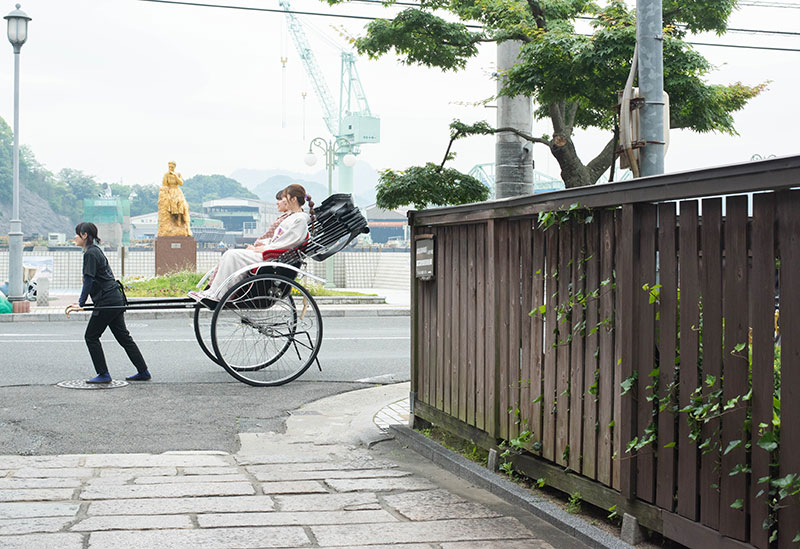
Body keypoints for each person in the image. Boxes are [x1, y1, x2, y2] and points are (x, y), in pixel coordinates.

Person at [189, 184, 314, 303]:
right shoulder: (292, 217)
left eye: (285, 198)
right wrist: (263, 245)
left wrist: (266, 249)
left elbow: (286, 243)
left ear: (293, 199)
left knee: (232, 255)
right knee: (230, 255)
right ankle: (213, 292)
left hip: (273, 257)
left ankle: (218, 295)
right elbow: (279, 240)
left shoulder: (299, 220)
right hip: (271, 253)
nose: (283, 201)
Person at [65, 222, 151, 383]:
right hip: (114, 297)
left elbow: (88, 280)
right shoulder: (96, 250)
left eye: (77, 234)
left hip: (106, 300)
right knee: (123, 337)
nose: (75, 237)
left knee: (91, 336)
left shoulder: (90, 253)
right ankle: (143, 371)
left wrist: (81, 303)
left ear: (84, 235)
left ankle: (103, 374)